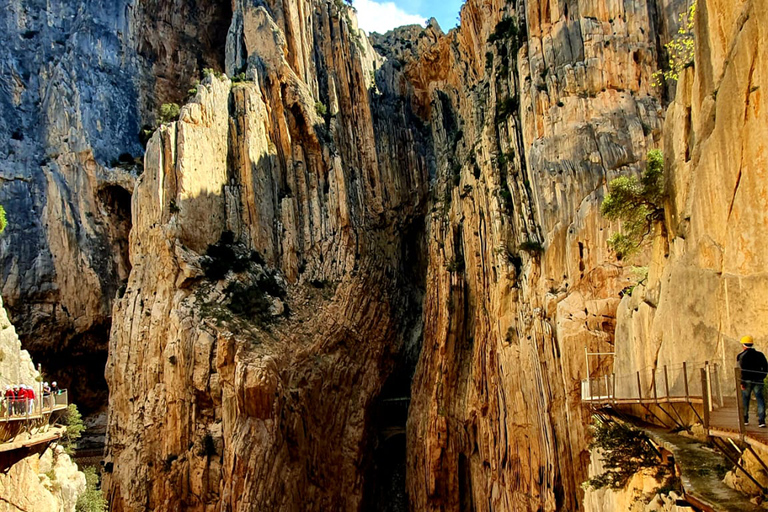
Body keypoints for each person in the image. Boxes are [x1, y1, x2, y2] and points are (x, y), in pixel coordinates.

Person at [738, 335, 768, 427]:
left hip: (746, 381)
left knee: (745, 399)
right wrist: (762, 377)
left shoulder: (741, 356)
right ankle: (762, 421)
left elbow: (740, 370)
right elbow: (766, 367)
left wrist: (741, 382)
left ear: (743, 345)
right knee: (760, 399)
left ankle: (745, 419)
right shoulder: (760, 355)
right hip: (758, 380)